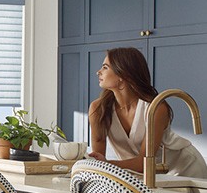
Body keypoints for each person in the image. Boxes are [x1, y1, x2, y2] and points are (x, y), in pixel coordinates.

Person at [88, 47, 207, 179]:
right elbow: (97, 161)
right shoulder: (98, 109)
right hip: (149, 175)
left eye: (105, 67)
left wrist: (106, 164)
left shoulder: (156, 108)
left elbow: (143, 163)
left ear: (123, 74)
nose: (98, 72)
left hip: (185, 168)